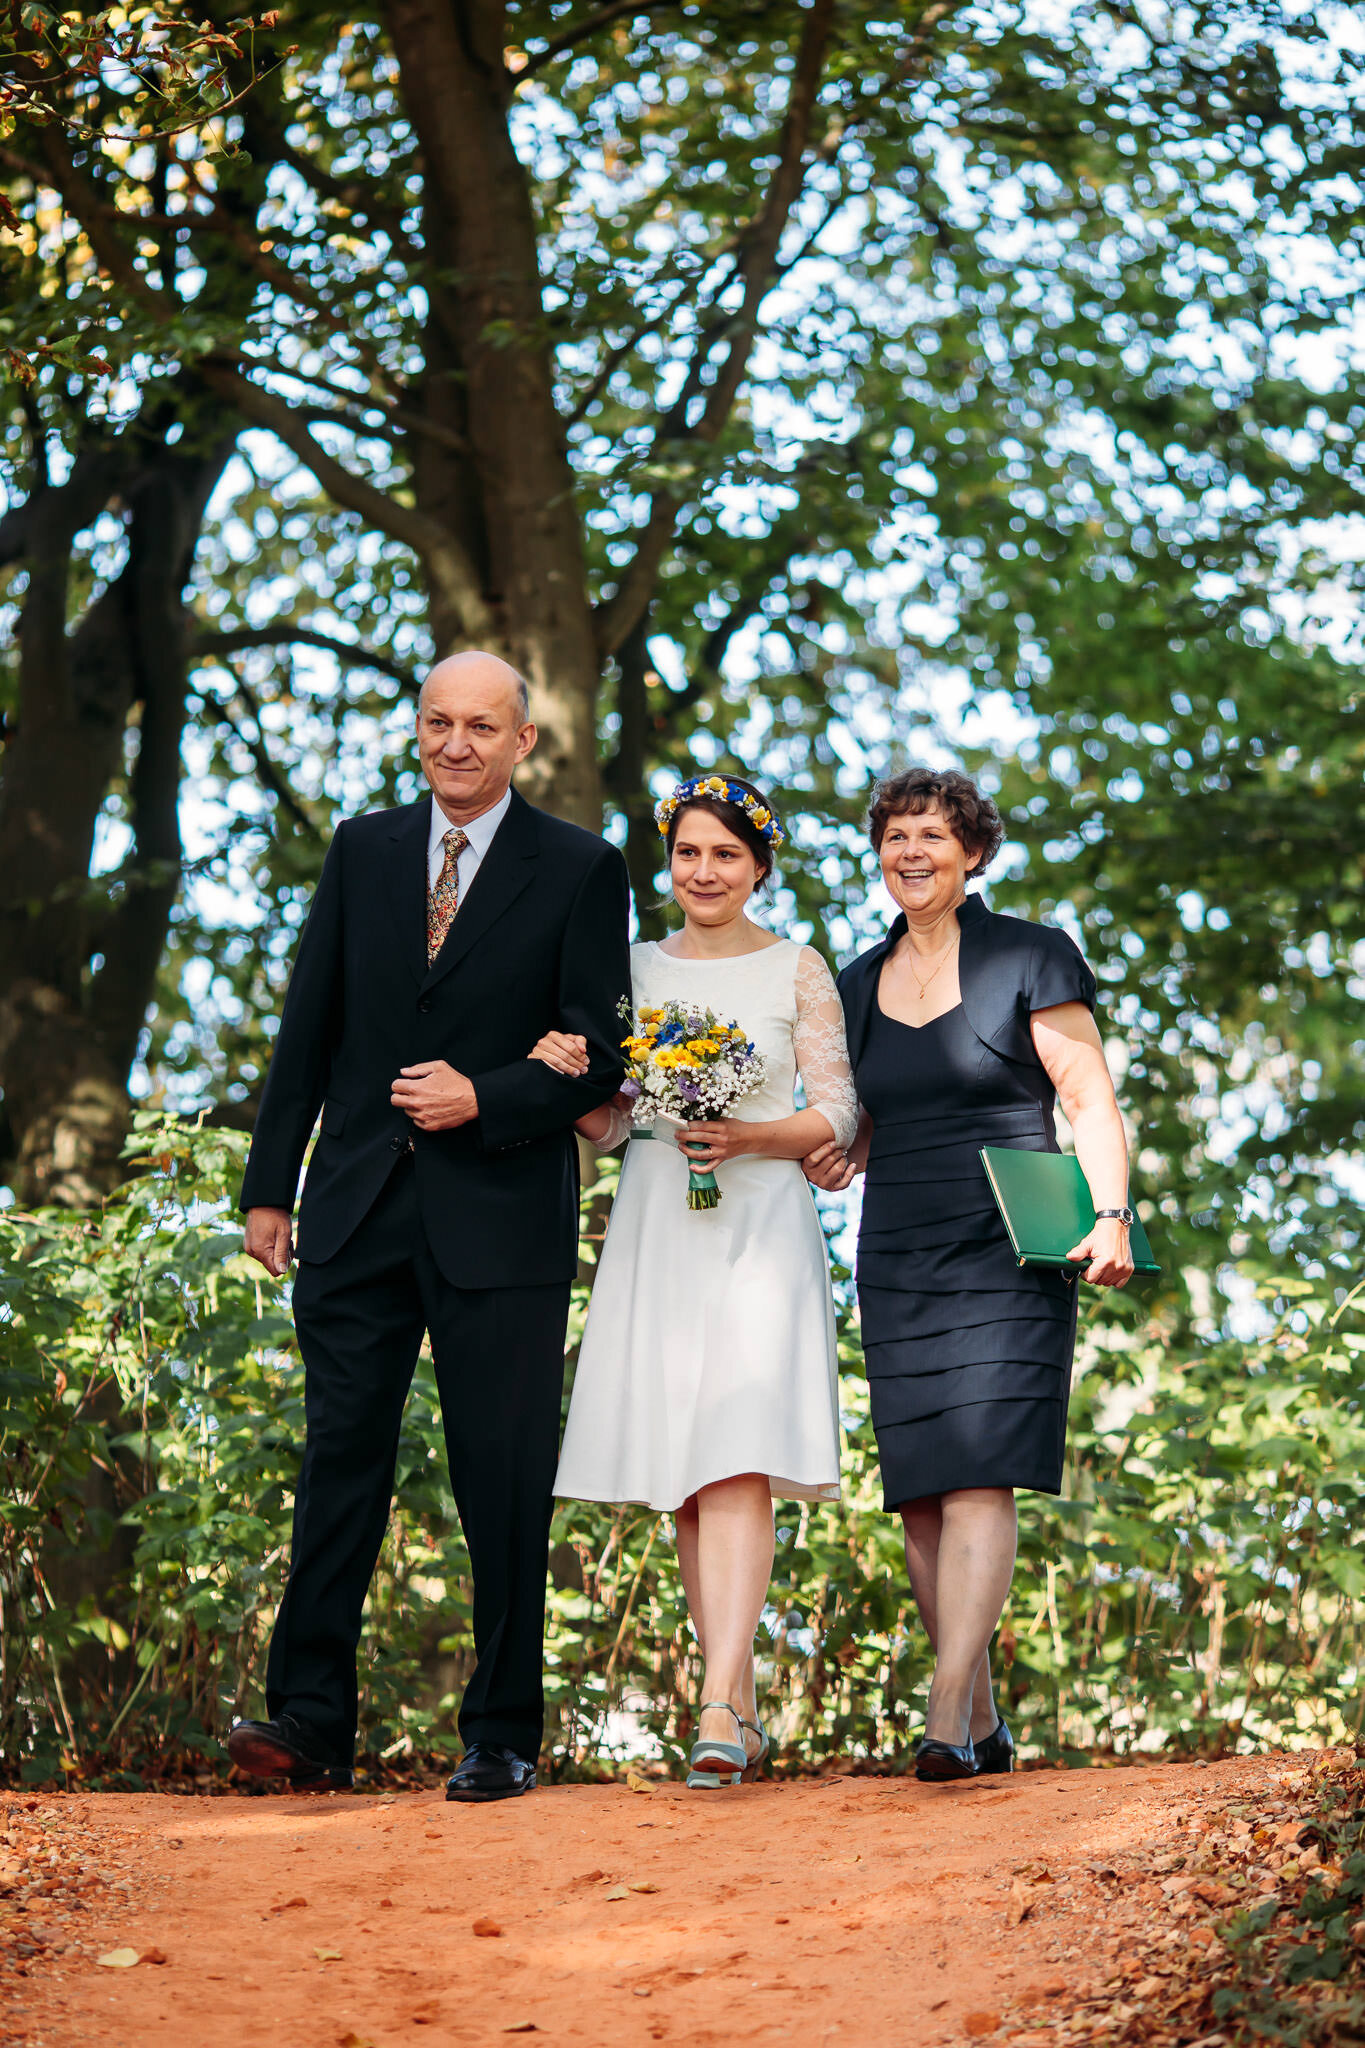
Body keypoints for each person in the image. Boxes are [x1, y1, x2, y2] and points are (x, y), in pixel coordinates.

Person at [228, 651, 630, 1803]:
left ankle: (501, 1732)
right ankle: (308, 1723)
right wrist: (270, 1185)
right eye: (438, 722)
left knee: (500, 1474)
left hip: (501, 1211)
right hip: (355, 1205)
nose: (457, 744)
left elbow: (601, 1053)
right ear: (419, 731)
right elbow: (310, 1020)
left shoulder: (582, 868)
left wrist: (488, 1094)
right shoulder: (363, 849)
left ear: (524, 742)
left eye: (482, 726)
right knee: (338, 1461)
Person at [527, 776, 858, 1787]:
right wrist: (565, 1082)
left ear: (759, 865)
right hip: (662, 1219)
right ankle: (738, 1704)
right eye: (686, 854)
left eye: (724, 854)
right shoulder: (629, 966)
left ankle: (716, 1700)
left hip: (758, 1222)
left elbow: (837, 1112)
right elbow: (618, 1117)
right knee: (684, 1468)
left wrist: (747, 1134)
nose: (703, 872)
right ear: (666, 863)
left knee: (736, 1452)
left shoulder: (796, 967)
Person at [805, 767, 1134, 1781]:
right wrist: (833, 1150)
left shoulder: (1030, 953)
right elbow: (857, 1120)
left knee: (984, 1465)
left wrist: (1112, 1210)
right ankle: (981, 1720)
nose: (912, 851)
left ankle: (947, 1710)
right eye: (897, 835)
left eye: (933, 835)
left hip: (1013, 1231)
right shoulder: (855, 979)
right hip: (897, 1239)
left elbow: (1087, 1095)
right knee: (920, 1491)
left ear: (973, 852)